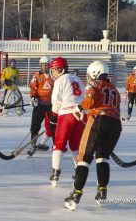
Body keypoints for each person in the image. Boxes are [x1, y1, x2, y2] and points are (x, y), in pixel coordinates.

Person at [64, 61, 122, 210]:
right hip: (115, 125)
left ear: (95, 73)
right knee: (102, 157)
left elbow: (90, 101)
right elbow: (110, 106)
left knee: (84, 158)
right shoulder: (114, 88)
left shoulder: (95, 85)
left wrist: (79, 107)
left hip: (98, 121)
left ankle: (76, 193)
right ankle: (102, 191)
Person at [49, 57, 85, 187]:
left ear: (60, 69)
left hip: (66, 113)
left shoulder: (60, 80)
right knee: (76, 145)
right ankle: (78, 171)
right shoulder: (77, 79)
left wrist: (53, 118)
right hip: (80, 114)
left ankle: (55, 173)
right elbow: (84, 97)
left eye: (54, 70)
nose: (52, 73)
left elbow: (56, 101)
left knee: (59, 144)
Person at [27, 56, 55, 157]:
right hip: (40, 104)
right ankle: (33, 145)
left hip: (52, 104)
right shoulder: (37, 76)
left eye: (46, 65)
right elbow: (33, 87)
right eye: (42, 65)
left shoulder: (55, 76)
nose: (44, 67)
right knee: (35, 125)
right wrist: (33, 98)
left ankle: (56, 146)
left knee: (54, 125)